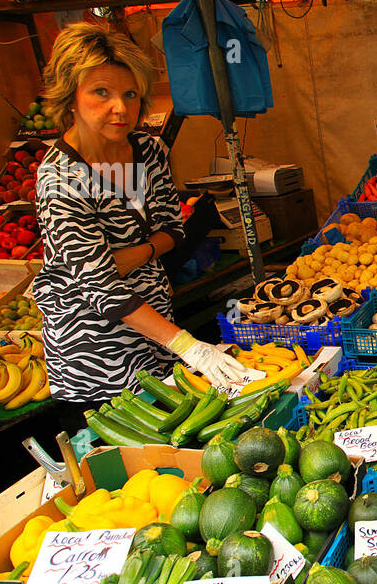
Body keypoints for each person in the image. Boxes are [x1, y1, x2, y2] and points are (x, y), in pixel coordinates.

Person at [32, 23, 247, 406]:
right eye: (102, 93)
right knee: (135, 438)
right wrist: (189, 346)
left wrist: (134, 255)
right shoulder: (61, 181)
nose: (121, 108)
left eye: (130, 94)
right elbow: (100, 289)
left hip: (156, 322)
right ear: (70, 97)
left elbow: (173, 229)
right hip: (95, 343)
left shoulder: (148, 151)